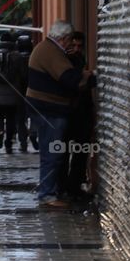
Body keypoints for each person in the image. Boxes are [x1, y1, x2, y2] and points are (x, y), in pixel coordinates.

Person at [26, 20, 90, 208]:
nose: (72, 44)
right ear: (63, 38)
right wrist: (88, 75)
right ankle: (47, 194)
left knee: (52, 152)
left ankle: (49, 192)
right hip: (50, 110)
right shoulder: (50, 52)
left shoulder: (48, 49)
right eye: (70, 40)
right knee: (52, 154)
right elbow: (70, 79)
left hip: (48, 109)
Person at [63, 31, 97, 200]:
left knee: (80, 152)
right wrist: (86, 76)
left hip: (82, 113)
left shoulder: (79, 60)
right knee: (65, 151)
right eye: (73, 45)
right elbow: (77, 84)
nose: (76, 49)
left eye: (80, 46)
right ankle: (68, 186)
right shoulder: (64, 62)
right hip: (69, 113)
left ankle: (73, 186)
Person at [0, 32, 29, 153]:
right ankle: (8, 143)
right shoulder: (18, 57)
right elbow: (24, 75)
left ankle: (0, 130)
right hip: (14, 93)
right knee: (11, 118)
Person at [15, 34, 39, 152]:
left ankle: (23, 141)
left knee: (20, 119)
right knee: (34, 116)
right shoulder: (35, 58)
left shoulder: (15, 58)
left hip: (18, 93)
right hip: (34, 92)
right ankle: (33, 133)